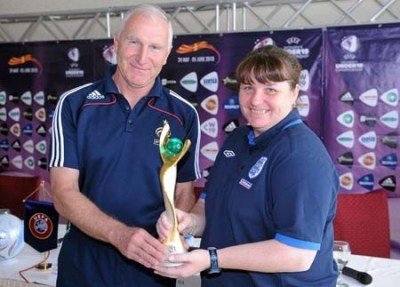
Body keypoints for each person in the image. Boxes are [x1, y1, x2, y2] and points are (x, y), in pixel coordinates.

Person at [155, 45, 339, 286]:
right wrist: (189, 222)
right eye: (248, 87)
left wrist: (212, 258)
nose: (255, 99)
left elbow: (296, 255)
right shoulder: (237, 139)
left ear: (294, 93)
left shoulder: (301, 156)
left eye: (271, 89)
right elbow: (209, 208)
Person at [49, 4, 201, 287]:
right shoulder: (74, 104)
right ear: (117, 43)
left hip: (152, 268)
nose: (143, 57)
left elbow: (184, 191)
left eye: (155, 47)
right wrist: (119, 235)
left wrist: (176, 228)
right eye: (134, 42)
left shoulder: (184, 114)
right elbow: (62, 192)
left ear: (167, 55)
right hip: (83, 269)